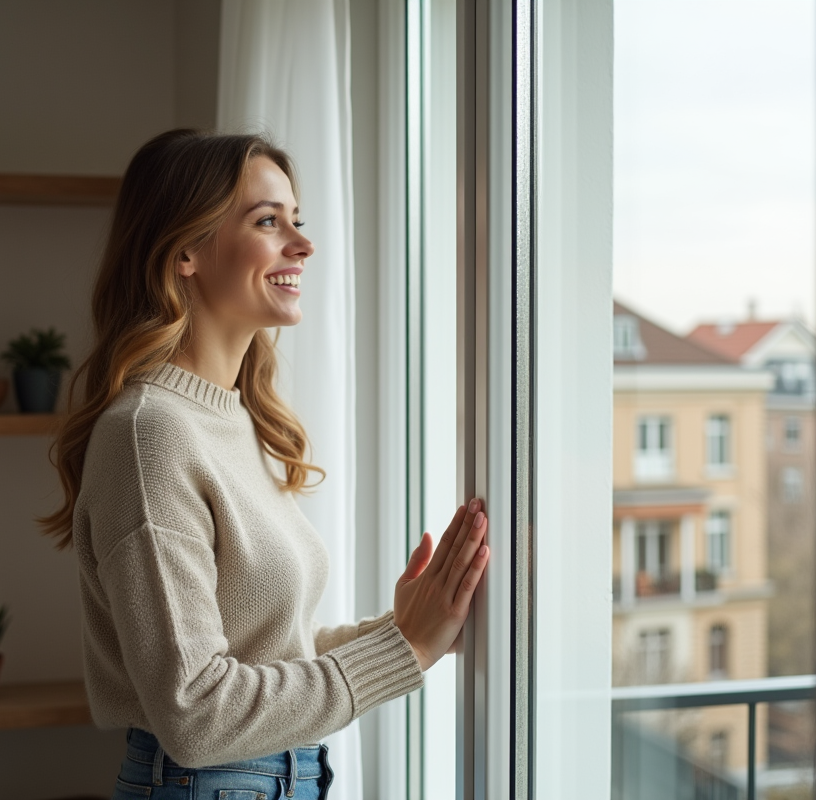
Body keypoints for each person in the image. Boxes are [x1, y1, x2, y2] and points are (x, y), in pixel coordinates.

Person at [40, 129, 490, 800]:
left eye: (297, 220)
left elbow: (264, 653)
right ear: (186, 251)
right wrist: (406, 650)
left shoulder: (230, 419)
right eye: (268, 221)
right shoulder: (148, 435)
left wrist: (407, 628)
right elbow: (196, 712)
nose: (303, 245)